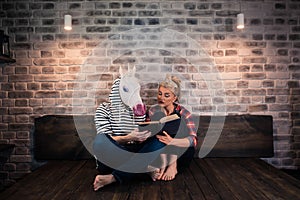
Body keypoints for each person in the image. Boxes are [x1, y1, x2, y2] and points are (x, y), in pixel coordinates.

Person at [144, 75, 198, 181]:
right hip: (159, 151)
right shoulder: (153, 111)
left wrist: (172, 141)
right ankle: (161, 165)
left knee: (178, 124)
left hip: (180, 154)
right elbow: (148, 134)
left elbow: (193, 140)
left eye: (166, 95)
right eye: (160, 94)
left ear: (175, 98)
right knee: (157, 136)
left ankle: (172, 165)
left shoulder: (185, 113)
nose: (161, 98)